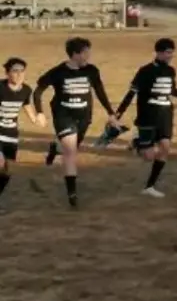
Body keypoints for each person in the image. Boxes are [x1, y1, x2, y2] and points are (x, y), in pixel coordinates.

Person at [33, 37, 120, 208]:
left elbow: (100, 91)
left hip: (84, 117)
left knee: (70, 147)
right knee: (71, 152)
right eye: (85, 53)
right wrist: (40, 113)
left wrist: (111, 113)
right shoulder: (58, 72)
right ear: (75, 54)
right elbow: (38, 92)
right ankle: (72, 194)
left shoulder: (92, 71)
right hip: (63, 115)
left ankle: (55, 148)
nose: (88, 56)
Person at [116, 38, 177, 197]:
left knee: (165, 147)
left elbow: (172, 91)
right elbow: (131, 93)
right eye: (167, 52)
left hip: (165, 114)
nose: (170, 56)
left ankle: (149, 186)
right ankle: (137, 141)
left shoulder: (170, 71)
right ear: (158, 53)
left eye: (172, 52)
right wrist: (118, 114)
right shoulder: (145, 71)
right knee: (148, 157)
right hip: (147, 116)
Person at [0, 58, 44, 210]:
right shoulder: (0, 88)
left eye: (22, 71)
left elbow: (25, 103)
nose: (19, 74)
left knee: (8, 171)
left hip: (11, 134)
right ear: (7, 73)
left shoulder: (26, 90)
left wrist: (34, 118)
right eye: (15, 71)